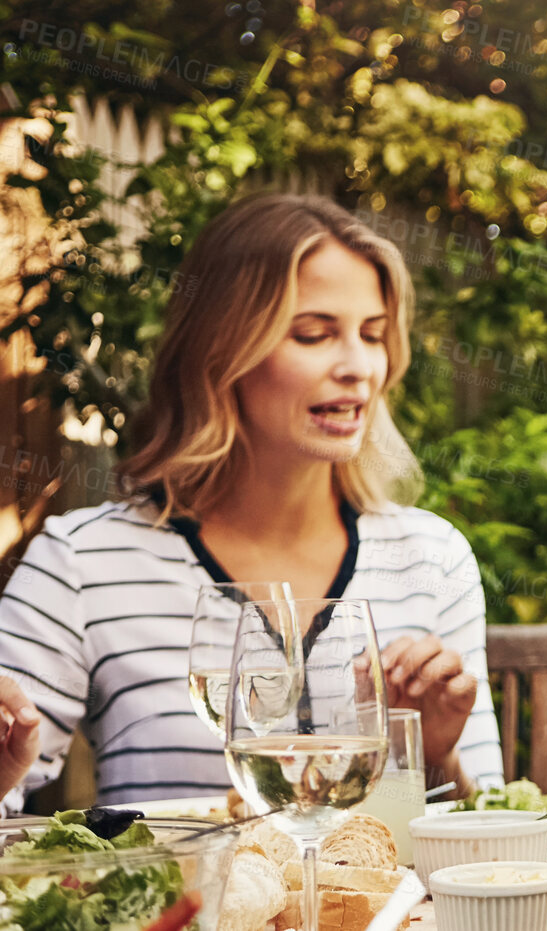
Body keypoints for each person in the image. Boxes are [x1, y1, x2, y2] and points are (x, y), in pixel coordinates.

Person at [0, 193, 502, 811]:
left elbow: (490, 831)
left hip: (400, 911)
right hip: (186, 909)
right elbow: (7, 782)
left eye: (372, 335)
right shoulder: (83, 561)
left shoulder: (432, 556)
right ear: (221, 351)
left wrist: (433, 755)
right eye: (314, 334)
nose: (359, 367)